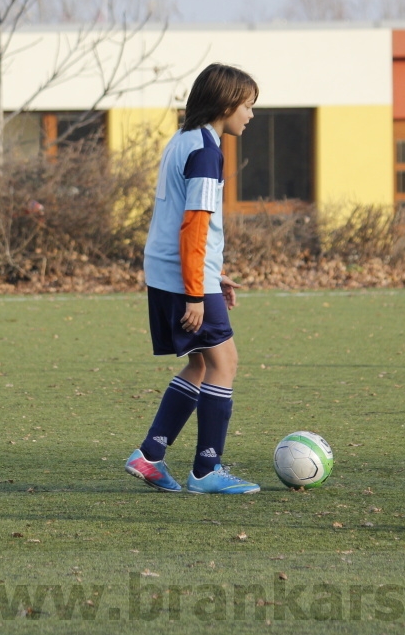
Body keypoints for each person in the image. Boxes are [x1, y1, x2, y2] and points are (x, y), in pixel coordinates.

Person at [124, 63, 260, 495]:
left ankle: (149, 456)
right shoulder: (206, 150)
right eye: (247, 105)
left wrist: (212, 275)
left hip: (169, 271)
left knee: (202, 363)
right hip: (183, 278)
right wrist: (197, 290)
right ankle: (206, 470)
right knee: (225, 362)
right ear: (226, 104)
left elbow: (185, 223)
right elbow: (194, 225)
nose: (251, 115)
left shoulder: (183, 140)